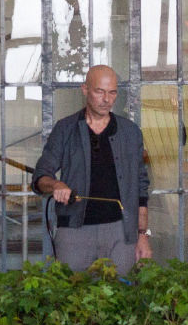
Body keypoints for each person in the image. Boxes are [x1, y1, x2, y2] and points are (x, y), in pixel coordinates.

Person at [32, 64, 152, 273]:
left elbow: (142, 189)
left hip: (121, 231)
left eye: (112, 92)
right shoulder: (65, 129)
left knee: (120, 297)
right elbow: (41, 176)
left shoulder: (131, 132)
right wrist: (55, 184)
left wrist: (143, 236)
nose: (107, 99)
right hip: (74, 231)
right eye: (100, 91)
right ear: (85, 89)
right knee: (73, 297)